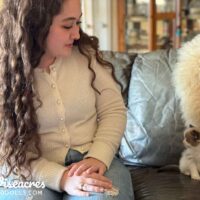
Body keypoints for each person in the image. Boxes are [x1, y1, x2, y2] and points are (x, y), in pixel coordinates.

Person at [0, 0, 134, 199]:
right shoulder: (6, 73)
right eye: (67, 25)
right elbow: (7, 151)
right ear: (35, 24)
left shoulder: (85, 55)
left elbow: (113, 110)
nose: (77, 34)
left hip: (92, 160)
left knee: (103, 196)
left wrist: (98, 157)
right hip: (28, 170)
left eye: (78, 23)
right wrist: (61, 178)